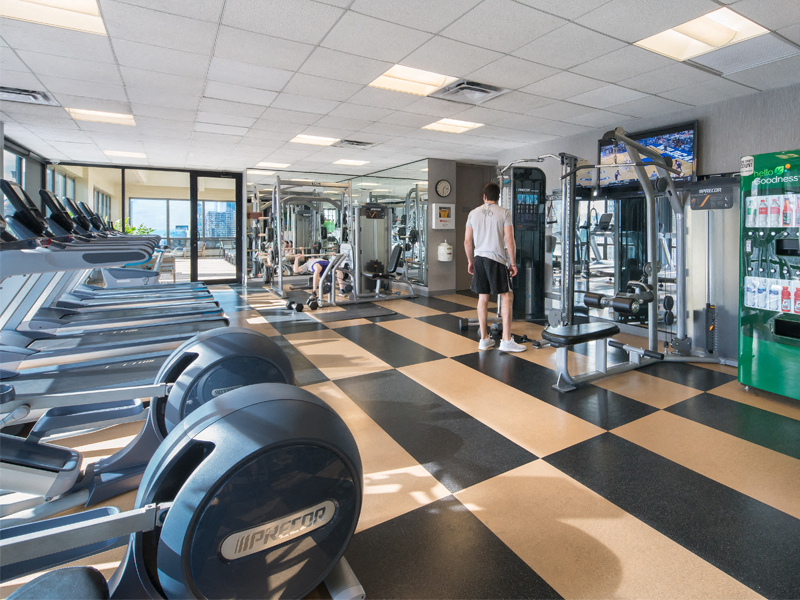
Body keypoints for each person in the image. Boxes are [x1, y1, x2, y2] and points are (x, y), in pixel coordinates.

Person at [464, 182, 526, 352]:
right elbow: (510, 241)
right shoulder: (504, 212)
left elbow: (467, 241)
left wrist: (471, 261)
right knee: (507, 297)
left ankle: (484, 339)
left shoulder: (473, 213)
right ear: (498, 197)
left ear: (484, 197)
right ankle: (506, 340)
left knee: (482, 299)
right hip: (496, 259)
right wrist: (512, 263)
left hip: (479, 259)